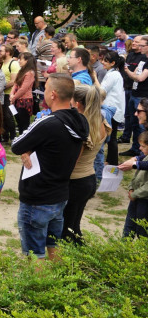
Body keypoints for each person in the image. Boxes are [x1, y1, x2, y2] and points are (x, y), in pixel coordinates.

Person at [11, 74, 89, 261]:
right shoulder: (80, 122)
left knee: (35, 254)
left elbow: (16, 144)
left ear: (53, 94)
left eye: (45, 89)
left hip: (37, 198)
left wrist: (27, 148)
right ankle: (58, 285)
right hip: (59, 194)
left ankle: (39, 288)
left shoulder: (48, 122)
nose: (43, 93)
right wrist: (30, 149)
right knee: (54, 246)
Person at [61, 84, 108, 244]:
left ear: (78, 103)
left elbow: (73, 159)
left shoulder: (82, 127)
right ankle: (81, 258)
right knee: (74, 226)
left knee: (66, 229)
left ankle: (70, 264)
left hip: (75, 181)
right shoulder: (100, 121)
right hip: (88, 178)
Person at [119, 122, 148, 238]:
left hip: (144, 200)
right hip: (135, 198)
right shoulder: (144, 157)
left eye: (143, 146)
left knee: (142, 231)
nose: (140, 149)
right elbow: (136, 176)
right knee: (129, 227)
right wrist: (131, 188)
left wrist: (135, 193)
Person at [121, 36, 148, 157]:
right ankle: (136, 148)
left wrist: (127, 71)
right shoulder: (143, 60)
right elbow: (136, 74)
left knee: (141, 125)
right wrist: (131, 73)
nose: (140, 47)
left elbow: (140, 77)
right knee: (134, 123)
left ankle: (143, 152)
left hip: (142, 96)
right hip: (134, 92)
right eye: (139, 44)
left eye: (142, 45)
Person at [100, 51, 126, 165]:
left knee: (112, 137)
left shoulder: (113, 75)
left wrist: (94, 79)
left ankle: (112, 161)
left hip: (113, 110)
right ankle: (110, 160)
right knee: (112, 137)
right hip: (114, 108)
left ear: (113, 63)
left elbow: (102, 90)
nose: (102, 62)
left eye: (105, 61)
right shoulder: (113, 73)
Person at [10, 52, 37, 134]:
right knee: (19, 121)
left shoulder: (30, 73)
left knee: (24, 124)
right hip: (17, 99)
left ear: (27, 61)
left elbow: (23, 89)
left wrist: (14, 97)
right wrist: (11, 94)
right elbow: (15, 84)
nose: (19, 61)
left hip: (24, 101)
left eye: (21, 59)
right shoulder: (21, 71)